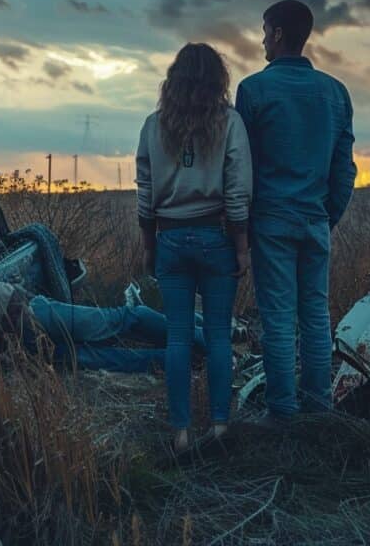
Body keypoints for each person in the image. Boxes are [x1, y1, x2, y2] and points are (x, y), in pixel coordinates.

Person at [234, 0, 356, 423]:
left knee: (279, 319)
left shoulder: (253, 90)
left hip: (271, 222)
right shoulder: (336, 93)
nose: (262, 38)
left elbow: (241, 167)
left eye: (265, 30)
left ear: (279, 33)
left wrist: (242, 230)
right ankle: (319, 407)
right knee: (317, 316)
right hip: (315, 221)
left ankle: (283, 414)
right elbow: (344, 170)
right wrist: (328, 217)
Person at [137, 43, 252, 452]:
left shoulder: (153, 125)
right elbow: (238, 190)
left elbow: (145, 192)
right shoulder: (230, 123)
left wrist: (149, 246)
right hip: (216, 237)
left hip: (169, 237)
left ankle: (181, 433)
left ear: (174, 79)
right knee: (219, 336)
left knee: (178, 338)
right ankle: (220, 428)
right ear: (218, 80)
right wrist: (241, 246)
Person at [0, 274, 211, 373]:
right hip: (31, 347)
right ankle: (185, 359)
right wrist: (5, 356)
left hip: (35, 315)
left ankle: (206, 341)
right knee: (113, 357)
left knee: (122, 320)